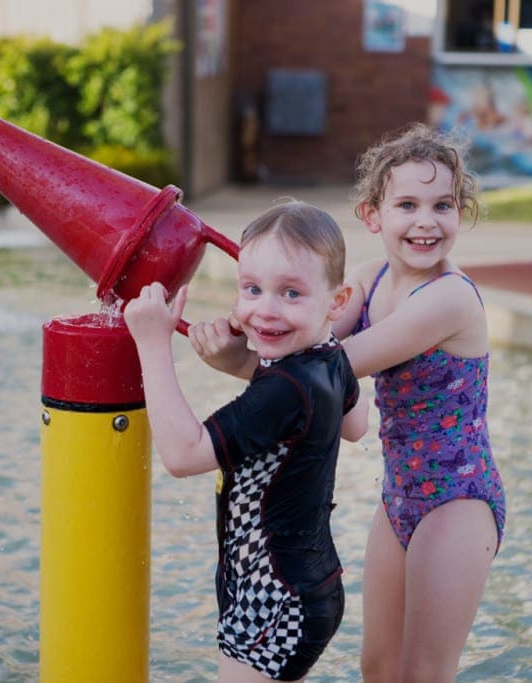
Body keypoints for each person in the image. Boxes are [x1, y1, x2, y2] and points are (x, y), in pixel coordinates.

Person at [190, 123, 506, 682]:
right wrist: (250, 323)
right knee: (378, 669)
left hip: (458, 498)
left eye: (444, 205)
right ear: (372, 215)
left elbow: (328, 367)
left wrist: (239, 359)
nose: (426, 221)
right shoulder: (368, 277)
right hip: (400, 495)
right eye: (407, 204)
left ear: (463, 213)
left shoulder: (450, 297)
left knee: (423, 674)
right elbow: (298, 340)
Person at [123, 200, 369, 682]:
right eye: (252, 289)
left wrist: (153, 344)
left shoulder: (283, 388)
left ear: (337, 302)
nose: (265, 310)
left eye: (291, 293)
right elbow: (354, 424)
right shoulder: (329, 356)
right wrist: (246, 366)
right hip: (310, 587)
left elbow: (181, 454)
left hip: (272, 599)